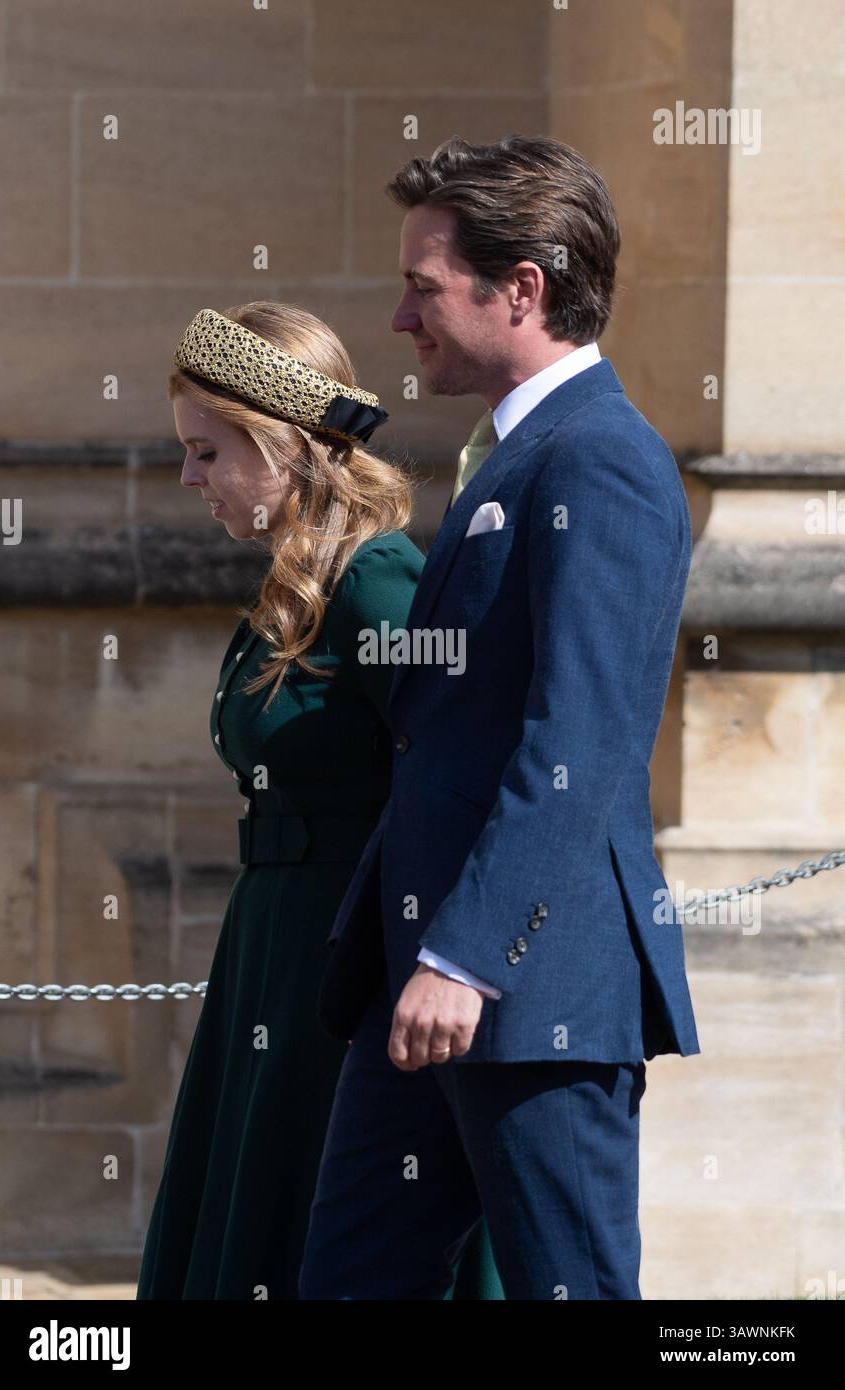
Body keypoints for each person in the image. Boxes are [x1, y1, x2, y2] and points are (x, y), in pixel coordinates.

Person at [300, 135, 702, 1301]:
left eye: (422, 288)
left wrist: (467, 957)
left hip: (528, 993)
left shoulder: (599, 459)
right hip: (424, 984)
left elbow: (579, 740)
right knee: (348, 1280)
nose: (399, 319)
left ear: (519, 287)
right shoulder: (520, 454)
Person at [136, 300, 504, 1300]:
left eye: (207, 452)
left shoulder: (375, 580)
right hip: (271, 944)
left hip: (342, 951)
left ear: (286, 448)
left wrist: (450, 957)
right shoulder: (292, 586)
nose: (189, 478)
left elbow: (469, 763)